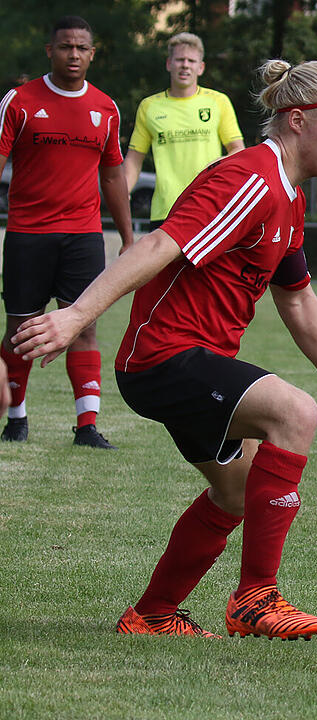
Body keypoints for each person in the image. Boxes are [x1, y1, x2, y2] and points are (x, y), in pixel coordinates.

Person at [13, 59, 317, 639]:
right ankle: (255, 600)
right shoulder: (251, 179)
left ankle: (152, 615)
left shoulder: (288, 196)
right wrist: (76, 316)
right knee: (295, 413)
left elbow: (296, 298)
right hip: (163, 357)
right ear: (295, 121)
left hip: (190, 362)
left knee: (236, 493)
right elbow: (161, 243)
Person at [0, 15, 134, 449]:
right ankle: (16, 418)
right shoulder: (19, 101)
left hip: (83, 236)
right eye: (65, 47)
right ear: (50, 51)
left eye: (81, 48)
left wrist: (129, 238)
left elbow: (113, 177)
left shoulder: (106, 107)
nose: (73, 55)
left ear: (92, 54)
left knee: (84, 326)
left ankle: (87, 426)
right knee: (21, 327)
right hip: (28, 234)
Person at [123, 32, 244, 229]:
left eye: (191, 60)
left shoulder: (218, 102)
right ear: (169, 64)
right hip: (166, 211)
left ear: (201, 67)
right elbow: (134, 159)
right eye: (179, 60)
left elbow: (237, 151)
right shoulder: (149, 106)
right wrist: (123, 190)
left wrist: (217, 170)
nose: (185, 65)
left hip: (210, 208)